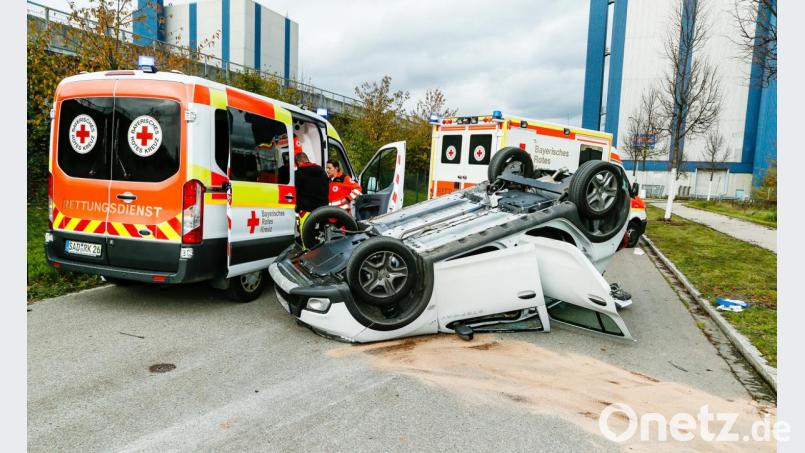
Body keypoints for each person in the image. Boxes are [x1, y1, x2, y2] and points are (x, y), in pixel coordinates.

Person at [294, 152, 329, 248]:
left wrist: (297, 207)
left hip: (306, 209)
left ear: (299, 162)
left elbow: (297, 193)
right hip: (322, 209)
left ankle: (306, 251)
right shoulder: (321, 170)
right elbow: (327, 188)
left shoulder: (298, 173)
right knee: (321, 232)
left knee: (305, 231)